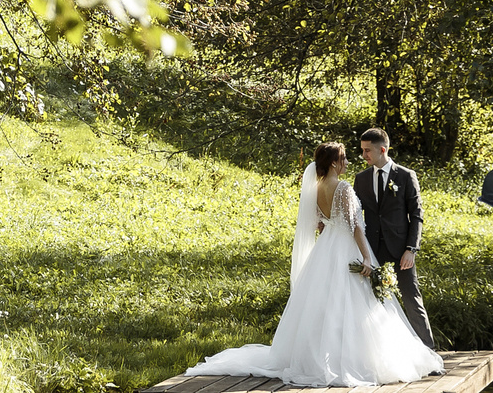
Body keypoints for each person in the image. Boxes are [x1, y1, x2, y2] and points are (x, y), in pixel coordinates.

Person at [181, 141, 444, 386]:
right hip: (347, 247)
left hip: (327, 247)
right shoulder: (342, 188)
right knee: (357, 305)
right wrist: (366, 257)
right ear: (333, 163)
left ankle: (318, 354)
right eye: (342, 158)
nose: (347, 163)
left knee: (324, 304)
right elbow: (355, 227)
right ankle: (352, 359)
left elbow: (320, 223)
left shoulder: (316, 188)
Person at [355, 126, 436, 351]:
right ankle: (382, 353)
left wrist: (411, 248)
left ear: (382, 149)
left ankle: (429, 351)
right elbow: (355, 215)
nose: (364, 155)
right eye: (362, 150)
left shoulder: (406, 175)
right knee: (372, 302)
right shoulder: (360, 179)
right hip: (372, 249)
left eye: (367, 151)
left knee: (412, 300)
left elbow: (417, 215)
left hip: (401, 250)